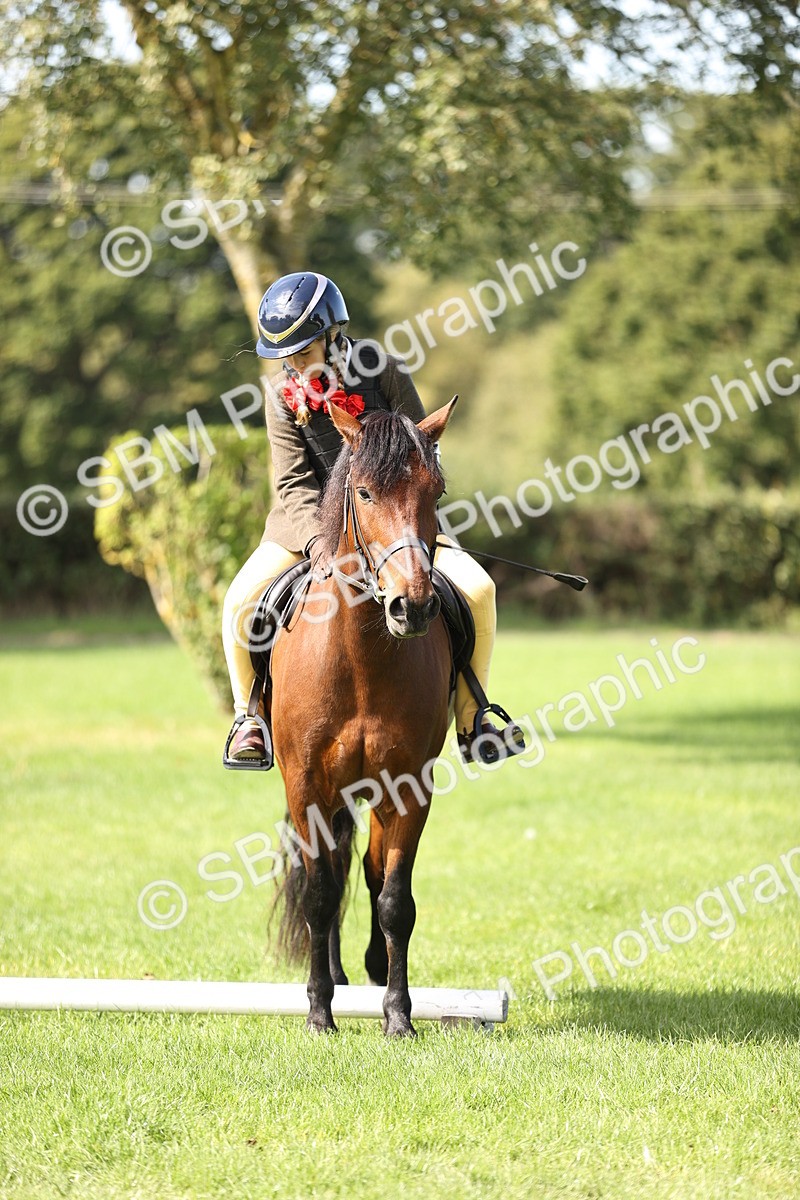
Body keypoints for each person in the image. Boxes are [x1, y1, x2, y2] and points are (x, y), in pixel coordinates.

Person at [222, 271, 523, 765]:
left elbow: (423, 452)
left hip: (395, 523)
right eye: (286, 357)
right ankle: (247, 717)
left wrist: (411, 525)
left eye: (302, 351)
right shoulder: (280, 395)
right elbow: (294, 484)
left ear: (332, 335)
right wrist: (321, 547)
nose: (294, 365)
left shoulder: (381, 369)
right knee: (239, 601)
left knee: (480, 590)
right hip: (305, 532)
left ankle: (474, 718)